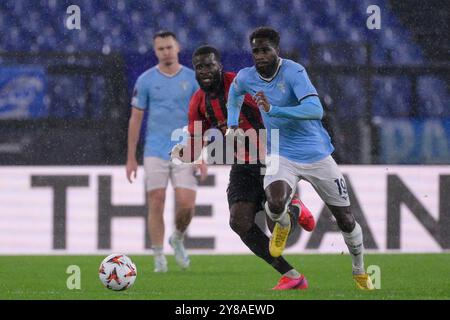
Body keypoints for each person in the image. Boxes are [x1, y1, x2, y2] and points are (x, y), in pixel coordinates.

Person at [226, 27, 374, 290]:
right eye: (255, 51)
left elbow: (315, 110)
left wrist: (275, 109)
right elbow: (235, 93)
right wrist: (232, 123)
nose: (259, 56)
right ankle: (284, 222)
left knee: (346, 219)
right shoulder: (247, 77)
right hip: (280, 153)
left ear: (276, 51)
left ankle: (359, 270)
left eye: (265, 50)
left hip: (316, 154)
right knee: (274, 201)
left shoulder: (293, 72)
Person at [171, 45, 315, 290]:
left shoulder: (240, 85)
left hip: (272, 157)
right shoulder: (198, 101)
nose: (204, 71)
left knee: (275, 225)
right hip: (243, 163)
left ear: (220, 66)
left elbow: (274, 110)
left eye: (209, 65)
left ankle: (291, 206)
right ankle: (292, 276)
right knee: (239, 221)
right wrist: (181, 153)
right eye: (199, 67)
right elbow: (195, 145)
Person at [126, 31, 207, 273]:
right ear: (155, 51)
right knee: (156, 200)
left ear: (178, 47)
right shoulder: (146, 80)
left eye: (169, 47)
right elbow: (135, 119)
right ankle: (158, 256)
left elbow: (202, 117)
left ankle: (178, 238)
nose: (166, 52)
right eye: (160, 49)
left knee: (186, 204)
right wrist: (131, 156)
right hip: (154, 149)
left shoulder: (193, 80)